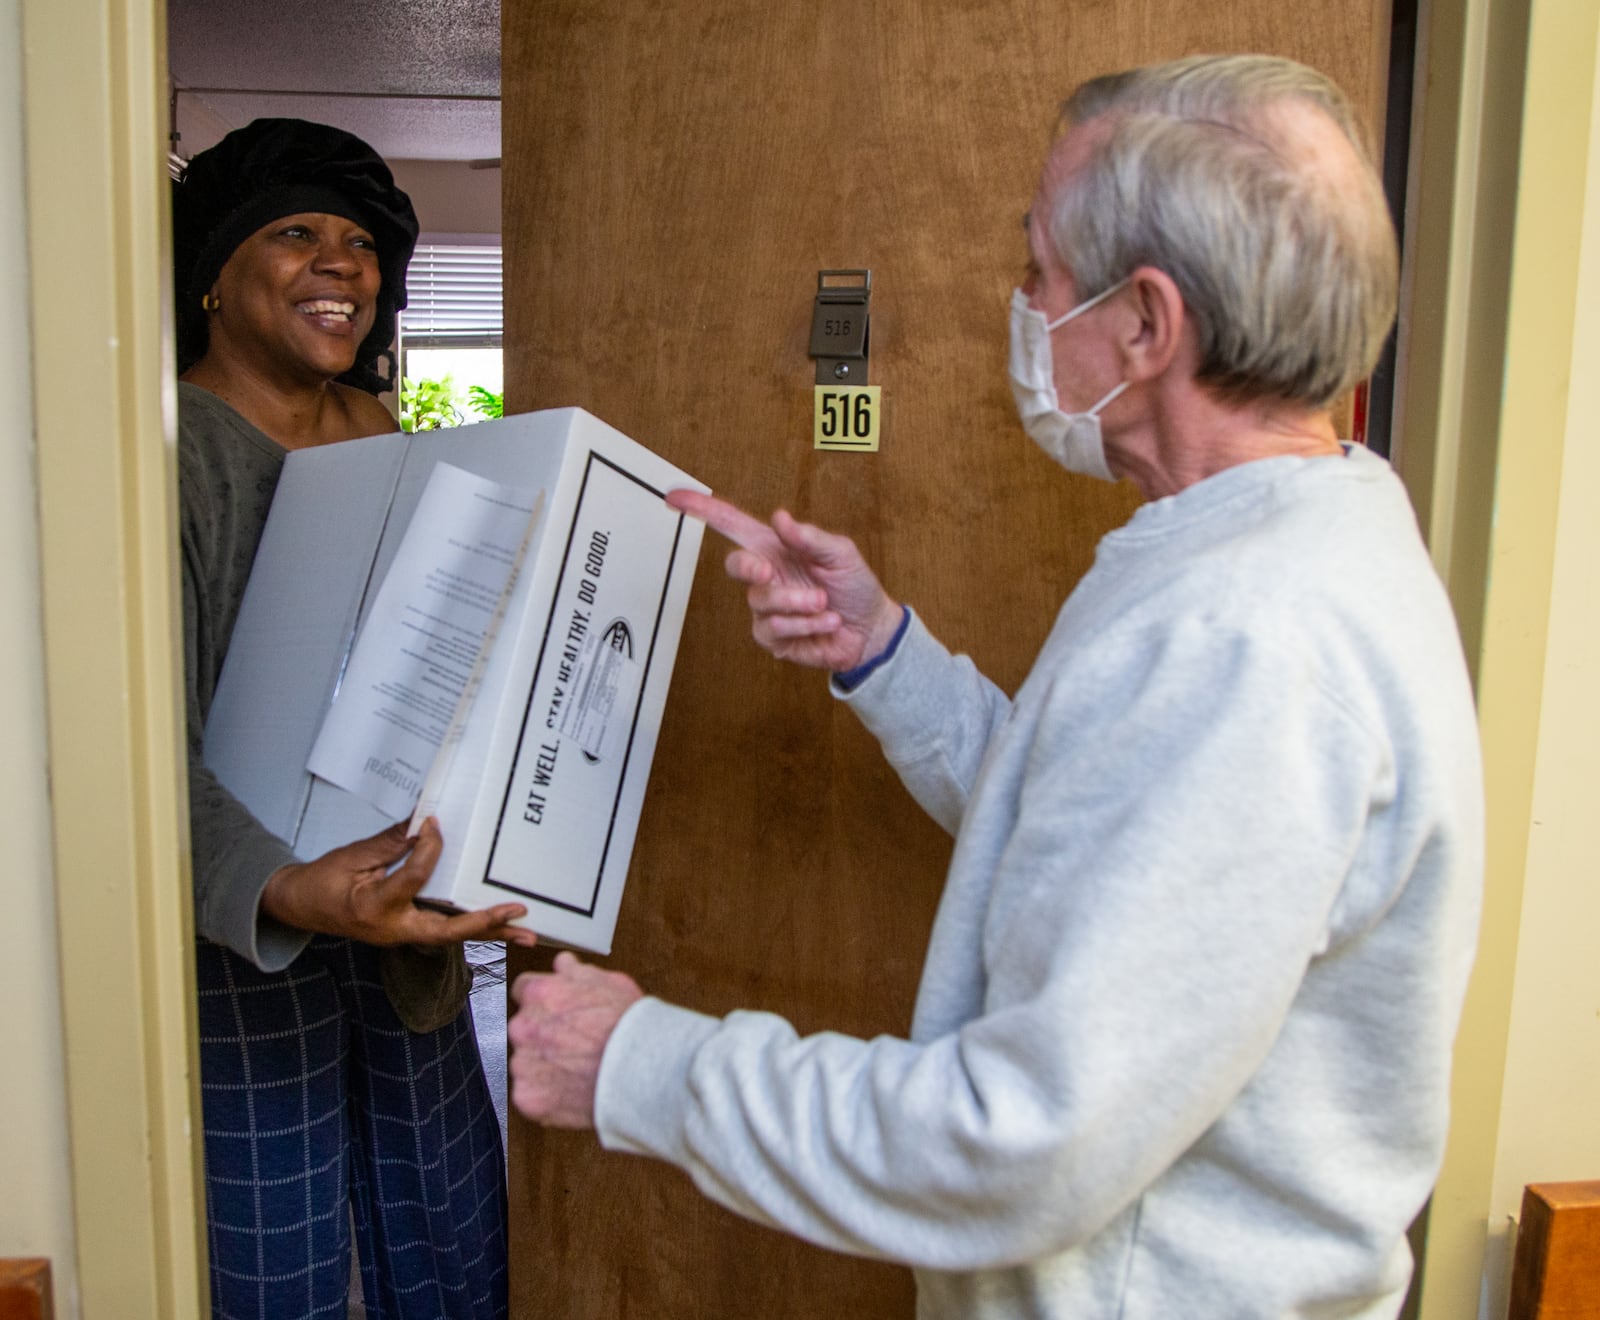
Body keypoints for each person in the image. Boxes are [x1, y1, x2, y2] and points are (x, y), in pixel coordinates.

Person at [506, 54, 1484, 1318]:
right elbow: (1098, 839)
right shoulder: (1265, 543)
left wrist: (636, 1065)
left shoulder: (1249, 635)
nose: (1020, 303)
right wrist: (882, 651)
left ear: (1144, 323)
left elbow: (1025, 1142)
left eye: (1039, 271)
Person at [174, 118, 536, 1320]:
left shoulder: (388, 441)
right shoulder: (163, 460)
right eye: (294, 235)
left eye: (363, 246)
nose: (342, 265)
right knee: (273, 1257)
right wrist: (280, 888)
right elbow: (133, 757)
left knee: (443, 1233)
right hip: (245, 932)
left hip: (399, 923)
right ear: (212, 277)